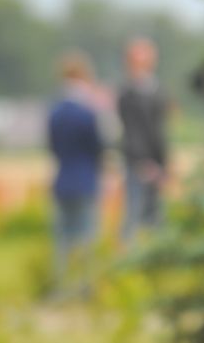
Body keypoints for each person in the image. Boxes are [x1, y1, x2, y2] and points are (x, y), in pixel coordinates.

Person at [46, 51, 104, 295]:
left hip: (62, 180)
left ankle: (61, 285)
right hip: (85, 180)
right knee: (87, 237)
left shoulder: (55, 112)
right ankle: (85, 285)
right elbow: (97, 147)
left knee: (62, 240)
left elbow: (53, 147)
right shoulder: (87, 114)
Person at [116, 36, 169, 242]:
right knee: (134, 214)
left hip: (154, 161)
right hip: (139, 162)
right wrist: (143, 161)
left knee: (155, 216)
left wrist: (162, 163)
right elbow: (133, 132)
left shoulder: (155, 91)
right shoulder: (128, 93)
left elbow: (159, 131)